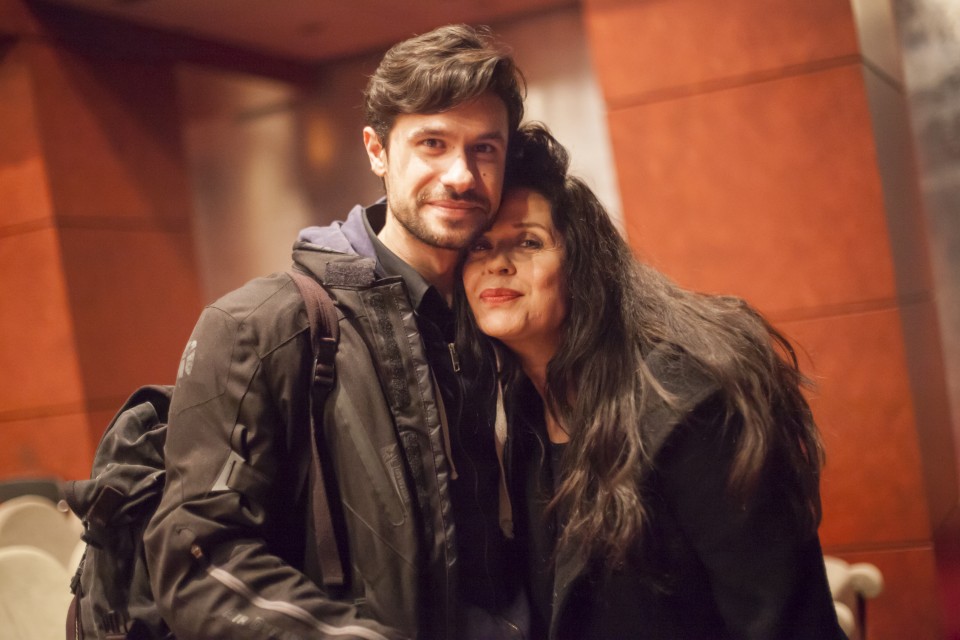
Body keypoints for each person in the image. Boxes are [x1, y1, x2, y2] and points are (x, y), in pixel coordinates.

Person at [144, 24, 531, 640]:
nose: (461, 175)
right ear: (377, 151)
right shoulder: (259, 325)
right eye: (432, 143)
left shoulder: (505, 317)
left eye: (484, 148)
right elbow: (199, 560)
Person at [458, 124, 846, 639]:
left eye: (528, 242)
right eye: (479, 247)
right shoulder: (520, 408)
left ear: (583, 264)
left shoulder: (688, 399)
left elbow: (781, 619)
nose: (497, 264)